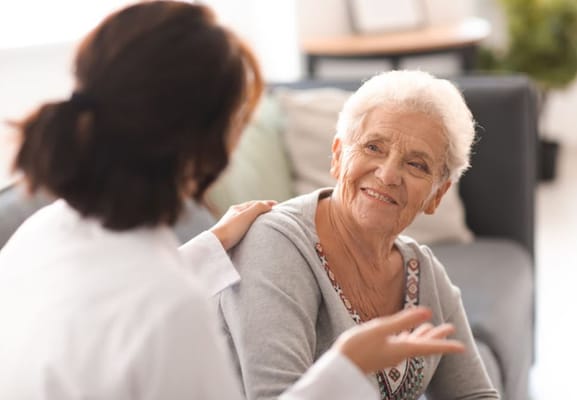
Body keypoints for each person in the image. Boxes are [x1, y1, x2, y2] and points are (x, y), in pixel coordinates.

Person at [0, 3, 465, 400]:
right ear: (209, 143)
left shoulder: (41, 234)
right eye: (241, 117)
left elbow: (111, 304)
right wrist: (344, 367)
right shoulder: (170, 307)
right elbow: (143, 309)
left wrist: (208, 248)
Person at [217, 70, 500, 400]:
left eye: (417, 165)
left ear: (437, 195)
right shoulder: (276, 244)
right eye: (374, 147)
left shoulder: (424, 275)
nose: (388, 174)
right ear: (337, 156)